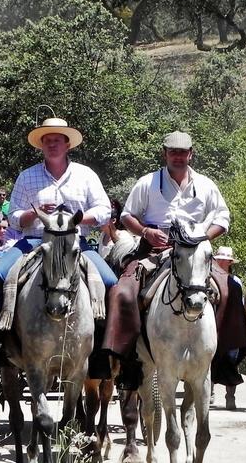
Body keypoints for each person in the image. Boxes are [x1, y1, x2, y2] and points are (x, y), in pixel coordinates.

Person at [0, 117, 116, 368]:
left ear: (67, 144)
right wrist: (33, 212)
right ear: (41, 146)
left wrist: (77, 218)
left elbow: (104, 210)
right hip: (34, 241)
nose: (52, 145)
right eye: (47, 141)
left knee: (109, 281)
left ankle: (103, 349)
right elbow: (14, 217)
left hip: (74, 242)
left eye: (57, 140)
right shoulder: (27, 177)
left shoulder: (86, 175)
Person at [102, 130, 231, 389]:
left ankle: (223, 360)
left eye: (183, 152)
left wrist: (201, 238)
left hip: (195, 252)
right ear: (164, 154)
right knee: (123, 293)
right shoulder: (147, 182)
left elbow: (222, 218)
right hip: (154, 250)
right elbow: (128, 216)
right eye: (173, 152)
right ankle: (127, 360)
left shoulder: (206, 184)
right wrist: (146, 231)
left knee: (230, 290)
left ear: (191, 154)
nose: (178, 157)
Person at [210, 246, 245, 411]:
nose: (223, 262)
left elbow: (240, 307)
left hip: (231, 328)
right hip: (212, 327)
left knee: (231, 361)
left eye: (226, 260)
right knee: (208, 360)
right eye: (220, 259)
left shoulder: (236, 282)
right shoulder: (207, 279)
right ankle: (209, 393)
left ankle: (230, 396)